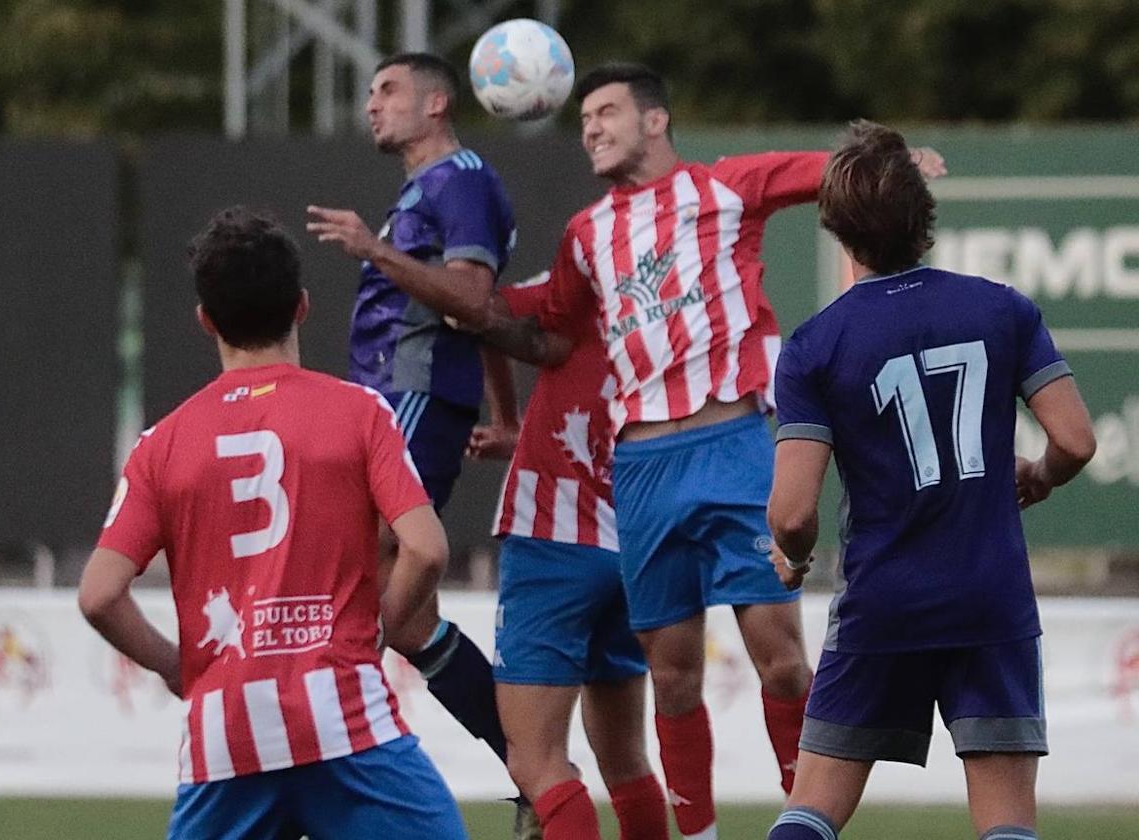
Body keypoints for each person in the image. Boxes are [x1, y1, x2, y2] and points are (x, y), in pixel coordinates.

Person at [311, 63, 946, 839]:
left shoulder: (727, 188)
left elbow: (833, 174)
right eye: (583, 120)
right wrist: (474, 321)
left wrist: (898, 164)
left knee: (779, 656)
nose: (591, 128)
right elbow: (547, 331)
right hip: (640, 472)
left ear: (655, 121)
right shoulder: (587, 235)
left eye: (606, 112)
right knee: (673, 674)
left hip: (731, 445)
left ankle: (806, 822)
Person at [78, 207, 467, 839]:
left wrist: (175, 666)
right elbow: (425, 549)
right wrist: (377, 630)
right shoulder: (360, 413)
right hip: (343, 719)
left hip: (225, 736)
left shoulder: (161, 444)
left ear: (206, 321)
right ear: (303, 307)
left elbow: (98, 595)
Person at [765, 121, 1096, 840]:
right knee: (1006, 823)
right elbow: (1075, 439)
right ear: (926, 220)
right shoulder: (1002, 308)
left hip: (882, 603)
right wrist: (1040, 475)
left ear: (837, 229)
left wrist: (791, 562)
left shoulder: (815, 347)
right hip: (991, 600)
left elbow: (793, 515)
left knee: (812, 809)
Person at [306, 51, 518, 796]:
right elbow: (488, 316)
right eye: (369, 92)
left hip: (414, 397)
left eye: (388, 89)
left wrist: (374, 249)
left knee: (341, 574)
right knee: (406, 623)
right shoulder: (430, 190)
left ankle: (338, 763)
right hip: (394, 400)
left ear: (437, 103)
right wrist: (506, 414)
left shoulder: (460, 180)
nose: (372, 104)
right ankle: (534, 765)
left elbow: (471, 299)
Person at [470, 273, 668, 840]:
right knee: (627, 762)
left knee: (536, 762)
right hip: (631, 549)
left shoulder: (580, 280)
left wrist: (507, 417)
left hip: (553, 541)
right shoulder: (669, 320)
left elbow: (479, 311)